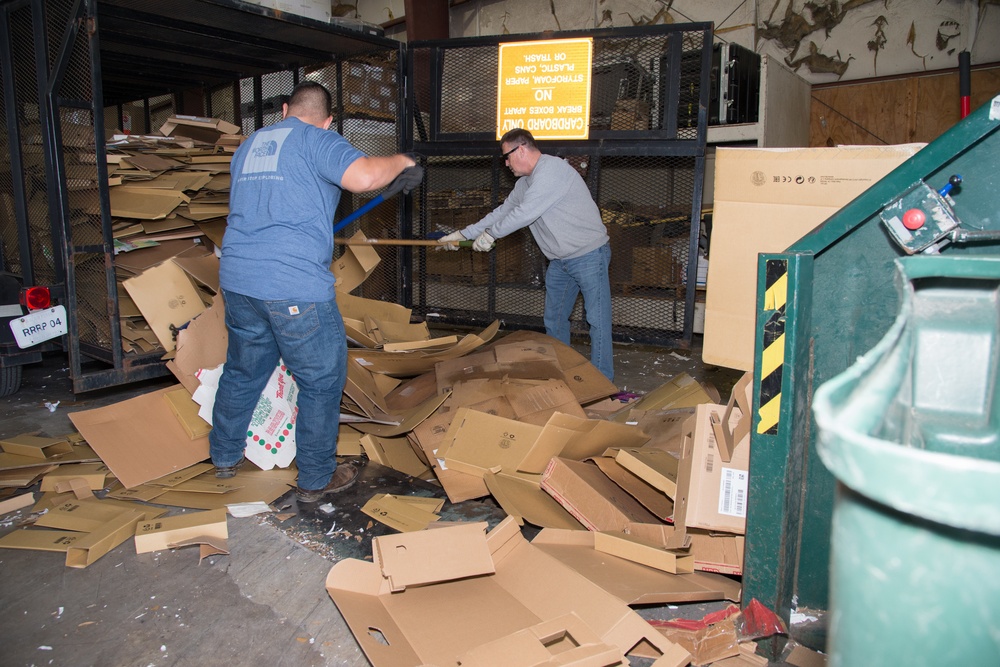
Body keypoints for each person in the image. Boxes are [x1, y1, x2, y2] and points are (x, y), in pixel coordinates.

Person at [209, 81, 423, 504]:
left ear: (284, 109)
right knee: (321, 380)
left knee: (242, 371)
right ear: (328, 121)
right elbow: (362, 176)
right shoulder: (318, 139)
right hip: (292, 285)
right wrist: (402, 161)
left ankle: (223, 456)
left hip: (239, 281)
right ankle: (315, 477)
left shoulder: (250, 145)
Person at [439, 128, 614, 382]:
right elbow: (502, 213)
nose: (506, 163)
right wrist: (461, 234)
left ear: (521, 149)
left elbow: (524, 214)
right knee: (554, 321)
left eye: (507, 157)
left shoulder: (551, 171)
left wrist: (491, 236)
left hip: (589, 256)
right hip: (559, 262)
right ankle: (561, 376)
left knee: (597, 321)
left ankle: (602, 383)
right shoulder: (525, 184)